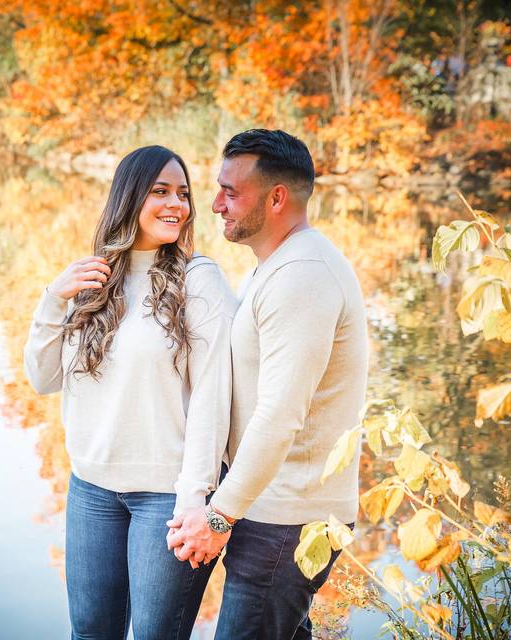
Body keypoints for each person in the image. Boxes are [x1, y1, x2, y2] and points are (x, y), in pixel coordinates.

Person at [24, 145, 235, 639]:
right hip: (91, 489)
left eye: (183, 194)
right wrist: (53, 298)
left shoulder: (197, 280)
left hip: (167, 496)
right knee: (91, 631)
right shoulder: (91, 278)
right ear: (129, 197)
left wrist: (195, 496)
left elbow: (212, 396)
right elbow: (42, 378)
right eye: (160, 191)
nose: (176, 205)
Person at [167, 129, 369, 639]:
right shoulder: (279, 266)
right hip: (275, 511)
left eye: (231, 191)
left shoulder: (302, 276)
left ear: (277, 197)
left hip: (287, 522)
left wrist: (217, 518)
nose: (214, 205)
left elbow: (280, 416)